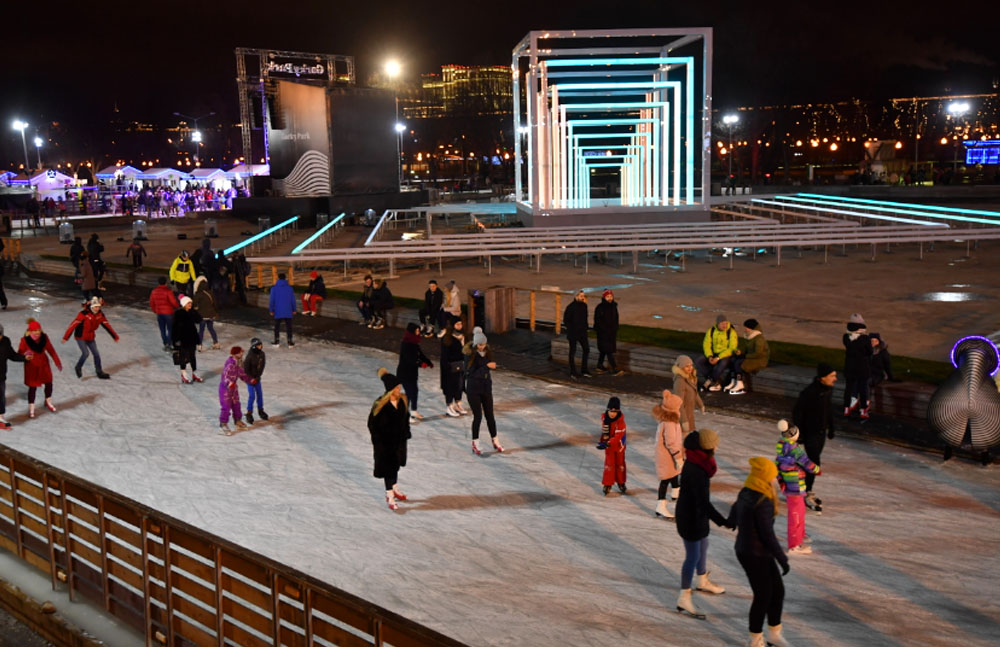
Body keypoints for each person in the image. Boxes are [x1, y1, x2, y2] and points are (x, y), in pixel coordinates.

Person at [728, 457, 792, 647]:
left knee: (777, 591)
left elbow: (733, 512)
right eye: (773, 476)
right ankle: (755, 640)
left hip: (753, 550)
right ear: (765, 478)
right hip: (753, 553)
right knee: (763, 595)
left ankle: (774, 633)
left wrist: (730, 521)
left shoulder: (747, 490)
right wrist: (782, 559)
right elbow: (767, 534)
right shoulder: (762, 500)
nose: (775, 479)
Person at [675, 428, 731, 619]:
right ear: (707, 447)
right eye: (714, 443)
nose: (717, 446)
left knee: (703, 545)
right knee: (693, 555)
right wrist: (722, 521)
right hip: (690, 517)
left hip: (696, 514)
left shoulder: (700, 462)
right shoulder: (696, 469)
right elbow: (702, 502)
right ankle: (684, 596)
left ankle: (701, 580)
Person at [792, 363, 837, 514]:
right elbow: (798, 413)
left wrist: (831, 427)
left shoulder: (827, 390)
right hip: (810, 433)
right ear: (822, 378)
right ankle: (806, 492)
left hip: (820, 433)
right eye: (832, 376)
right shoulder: (809, 393)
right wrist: (799, 434)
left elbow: (828, 410)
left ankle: (801, 488)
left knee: (811, 463)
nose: (835, 379)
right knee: (813, 463)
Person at [369, 368, 412, 511]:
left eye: (399, 387)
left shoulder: (403, 402)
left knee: (396, 466)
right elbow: (372, 424)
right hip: (385, 444)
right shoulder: (380, 405)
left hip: (399, 441)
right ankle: (389, 495)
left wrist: (406, 434)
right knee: (389, 469)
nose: (399, 389)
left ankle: (394, 487)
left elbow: (405, 420)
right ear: (390, 390)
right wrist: (378, 441)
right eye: (397, 387)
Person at [775, 419, 820, 556]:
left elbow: (777, 464)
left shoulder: (781, 445)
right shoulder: (795, 449)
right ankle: (794, 544)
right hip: (795, 485)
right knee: (796, 514)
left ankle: (800, 535)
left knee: (799, 511)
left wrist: (781, 480)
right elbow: (807, 463)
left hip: (790, 484)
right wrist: (817, 470)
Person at [463, 326, 503, 455]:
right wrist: (486, 367)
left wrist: (490, 367)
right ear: (475, 344)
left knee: (490, 416)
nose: (482, 346)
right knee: (478, 417)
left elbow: (488, 368)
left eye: (484, 344)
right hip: (473, 390)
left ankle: (495, 440)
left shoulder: (488, 352)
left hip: (486, 388)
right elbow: (471, 374)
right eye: (480, 344)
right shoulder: (470, 356)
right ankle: (476, 443)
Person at [61, 296, 118, 379]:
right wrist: (66, 337)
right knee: (86, 353)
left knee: (96, 354)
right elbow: (72, 325)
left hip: (90, 337)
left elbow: (107, 325)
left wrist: (114, 336)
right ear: (91, 306)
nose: (97, 308)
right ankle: (78, 367)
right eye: (95, 307)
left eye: (98, 307)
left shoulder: (100, 315)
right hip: (81, 337)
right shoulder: (83, 314)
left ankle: (99, 372)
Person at [18, 319, 62, 419]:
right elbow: (20, 353)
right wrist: (26, 354)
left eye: (39, 330)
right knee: (32, 387)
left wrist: (57, 362)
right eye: (35, 330)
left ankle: (48, 401)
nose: (37, 332)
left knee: (49, 382)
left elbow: (51, 350)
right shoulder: (24, 340)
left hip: (43, 364)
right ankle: (31, 408)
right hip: (32, 365)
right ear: (30, 331)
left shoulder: (44, 338)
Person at [653, 390, 684, 519]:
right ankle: (660, 506)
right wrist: (678, 456)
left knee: (673, 474)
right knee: (665, 479)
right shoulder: (670, 423)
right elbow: (671, 442)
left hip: (668, 455)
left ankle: (676, 493)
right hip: (667, 456)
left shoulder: (669, 420)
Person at [397, 323, 432, 422]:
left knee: (415, 391)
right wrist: (420, 364)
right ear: (411, 332)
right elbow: (409, 358)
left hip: (412, 372)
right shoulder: (406, 344)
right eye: (416, 331)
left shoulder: (415, 343)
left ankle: (414, 410)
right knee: (409, 393)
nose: (418, 332)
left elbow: (420, 354)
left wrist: (428, 362)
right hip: (405, 372)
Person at [695, 314, 739, 392]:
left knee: (722, 364)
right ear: (717, 324)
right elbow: (706, 344)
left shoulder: (731, 332)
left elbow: (732, 348)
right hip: (713, 353)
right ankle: (716, 382)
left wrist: (718, 357)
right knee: (699, 361)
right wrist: (710, 356)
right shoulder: (711, 331)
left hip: (725, 355)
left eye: (726, 323)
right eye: (722, 324)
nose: (724, 325)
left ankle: (709, 382)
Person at [726, 318, 770, 395]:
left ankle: (740, 385)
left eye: (747, 327)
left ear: (752, 328)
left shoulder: (759, 339)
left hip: (759, 360)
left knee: (739, 363)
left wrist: (745, 356)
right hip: (752, 357)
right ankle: (734, 381)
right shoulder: (750, 337)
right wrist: (741, 353)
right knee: (734, 359)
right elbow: (748, 350)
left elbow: (758, 354)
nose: (745, 329)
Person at [843, 313, 872, 419]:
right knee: (863, 389)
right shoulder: (865, 338)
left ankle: (846, 408)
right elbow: (870, 351)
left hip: (850, 366)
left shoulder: (846, 337)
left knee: (849, 388)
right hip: (862, 367)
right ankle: (863, 410)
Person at [0, 323, 29, 429]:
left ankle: (0, 417)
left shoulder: (5, 341)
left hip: (1, 375)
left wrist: (24, 358)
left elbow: (12, 355)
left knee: (1, 397)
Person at [219, 346, 252, 435]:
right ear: (234, 354)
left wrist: (250, 380)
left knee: (237, 405)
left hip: (233, 388)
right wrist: (229, 383)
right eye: (240, 353)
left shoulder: (237, 363)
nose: (241, 354)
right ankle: (223, 424)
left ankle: (237, 421)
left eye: (242, 352)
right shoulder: (230, 364)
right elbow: (224, 377)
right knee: (226, 407)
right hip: (226, 389)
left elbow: (242, 374)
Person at [597, 396, 627, 496]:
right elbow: (605, 432)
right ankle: (607, 484)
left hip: (619, 446)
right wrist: (603, 442)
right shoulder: (605, 419)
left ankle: (621, 482)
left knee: (619, 464)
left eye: (615, 412)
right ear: (608, 410)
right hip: (609, 446)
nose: (612, 414)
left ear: (618, 411)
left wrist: (607, 443)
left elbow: (618, 436)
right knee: (609, 464)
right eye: (611, 411)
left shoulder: (621, 422)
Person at [439, 318, 468, 417]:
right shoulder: (447, 337)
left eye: (461, 324)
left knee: (459, 385)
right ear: (453, 325)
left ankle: (458, 403)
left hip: (460, 364)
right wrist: (446, 366)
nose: (460, 326)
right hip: (450, 366)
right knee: (450, 386)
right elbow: (445, 354)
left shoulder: (462, 336)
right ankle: (449, 406)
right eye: (458, 324)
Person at [172, 295, 204, 384]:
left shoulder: (192, 312)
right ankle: (184, 374)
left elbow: (199, 320)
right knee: (183, 356)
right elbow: (174, 327)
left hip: (192, 337)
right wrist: (175, 341)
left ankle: (194, 373)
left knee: (192, 356)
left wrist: (194, 311)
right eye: (188, 303)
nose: (190, 304)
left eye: (191, 303)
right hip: (182, 338)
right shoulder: (178, 313)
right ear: (184, 304)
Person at [671, 355, 705, 436]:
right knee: (682, 437)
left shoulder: (690, 377)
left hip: (689, 413)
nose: (690, 368)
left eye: (691, 365)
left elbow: (694, 393)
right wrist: (684, 420)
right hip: (682, 415)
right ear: (681, 367)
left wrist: (701, 405)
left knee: (689, 435)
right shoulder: (680, 381)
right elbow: (679, 403)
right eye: (687, 366)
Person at [593, 289, 624, 376]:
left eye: (611, 296)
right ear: (604, 297)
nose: (610, 298)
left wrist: (616, 328)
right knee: (608, 350)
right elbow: (597, 320)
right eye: (608, 296)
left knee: (604, 350)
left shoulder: (614, 307)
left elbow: (616, 318)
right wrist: (603, 329)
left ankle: (599, 366)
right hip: (603, 333)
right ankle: (614, 368)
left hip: (611, 332)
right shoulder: (600, 307)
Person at [563, 290, 591, 379]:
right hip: (573, 333)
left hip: (582, 332)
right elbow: (566, 320)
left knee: (586, 349)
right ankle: (573, 372)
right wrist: (571, 329)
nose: (583, 297)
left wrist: (586, 328)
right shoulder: (570, 307)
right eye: (581, 296)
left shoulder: (584, 306)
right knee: (572, 352)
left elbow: (585, 318)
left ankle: (584, 370)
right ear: (576, 296)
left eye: (583, 296)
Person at [149, 276, 179, 351]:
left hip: (159, 313)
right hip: (168, 313)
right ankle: (170, 343)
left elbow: (151, 303)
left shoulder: (154, 291)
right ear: (166, 282)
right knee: (170, 329)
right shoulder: (168, 291)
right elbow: (173, 302)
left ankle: (165, 343)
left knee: (162, 329)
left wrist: (155, 310)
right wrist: (177, 306)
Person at [243, 338, 268, 424]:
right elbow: (245, 369)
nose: (260, 346)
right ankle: (249, 412)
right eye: (258, 345)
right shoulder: (249, 356)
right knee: (252, 396)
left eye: (260, 345)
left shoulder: (262, 354)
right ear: (254, 346)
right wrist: (251, 379)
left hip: (257, 378)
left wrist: (258, 377)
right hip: (249, 379)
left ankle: (260, 410)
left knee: (260, 394)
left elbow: (262, 366)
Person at [192, 276, 220, 351]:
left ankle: (199, 345)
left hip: (202, 316)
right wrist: (216, 312)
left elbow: (194, 304)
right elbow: (215, 303)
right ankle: (216, 343)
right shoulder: (210, 292)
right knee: (211, 329)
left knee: (201, 330)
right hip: (211, 315)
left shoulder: (198, 294)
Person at [269, 272, 295, 348]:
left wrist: (271, 310)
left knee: (277, 326)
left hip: (278, 310)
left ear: (278, 278)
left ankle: (277, 341)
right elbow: (292, 299)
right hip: (288, 309)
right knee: (289, 326)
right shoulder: (290, 288)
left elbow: (272, 300)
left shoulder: (274, 288)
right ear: (285, 278)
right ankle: (290, 341)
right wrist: (294, 309)